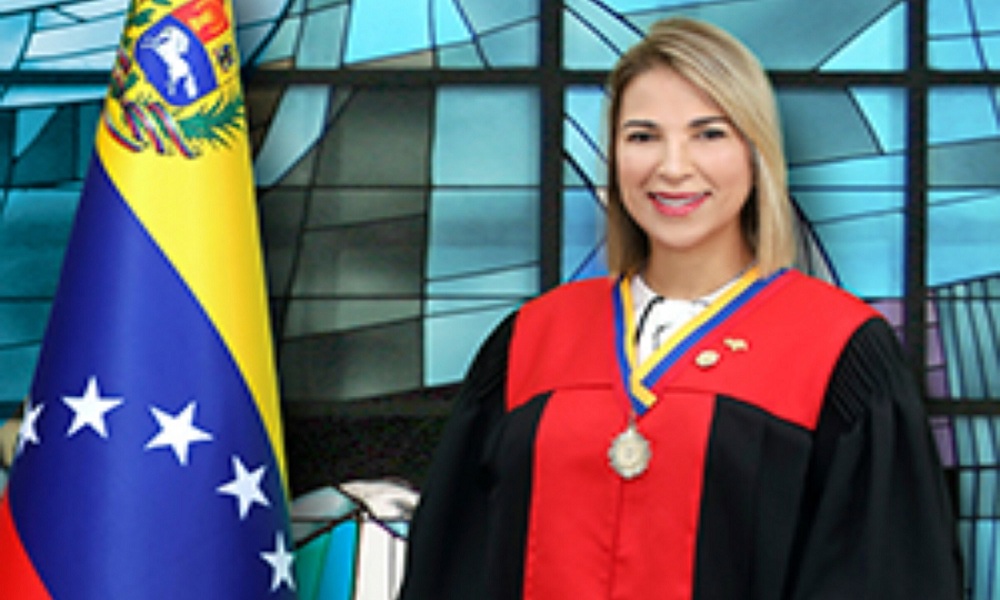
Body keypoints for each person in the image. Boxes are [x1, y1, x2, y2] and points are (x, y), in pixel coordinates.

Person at [399, 17, 962, 600]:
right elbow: (452, 569)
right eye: (643, 136)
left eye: (708, 134)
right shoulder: (531, 342)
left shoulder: (838, 351)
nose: (672, 167)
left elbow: (881, 576)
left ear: (755, 152)